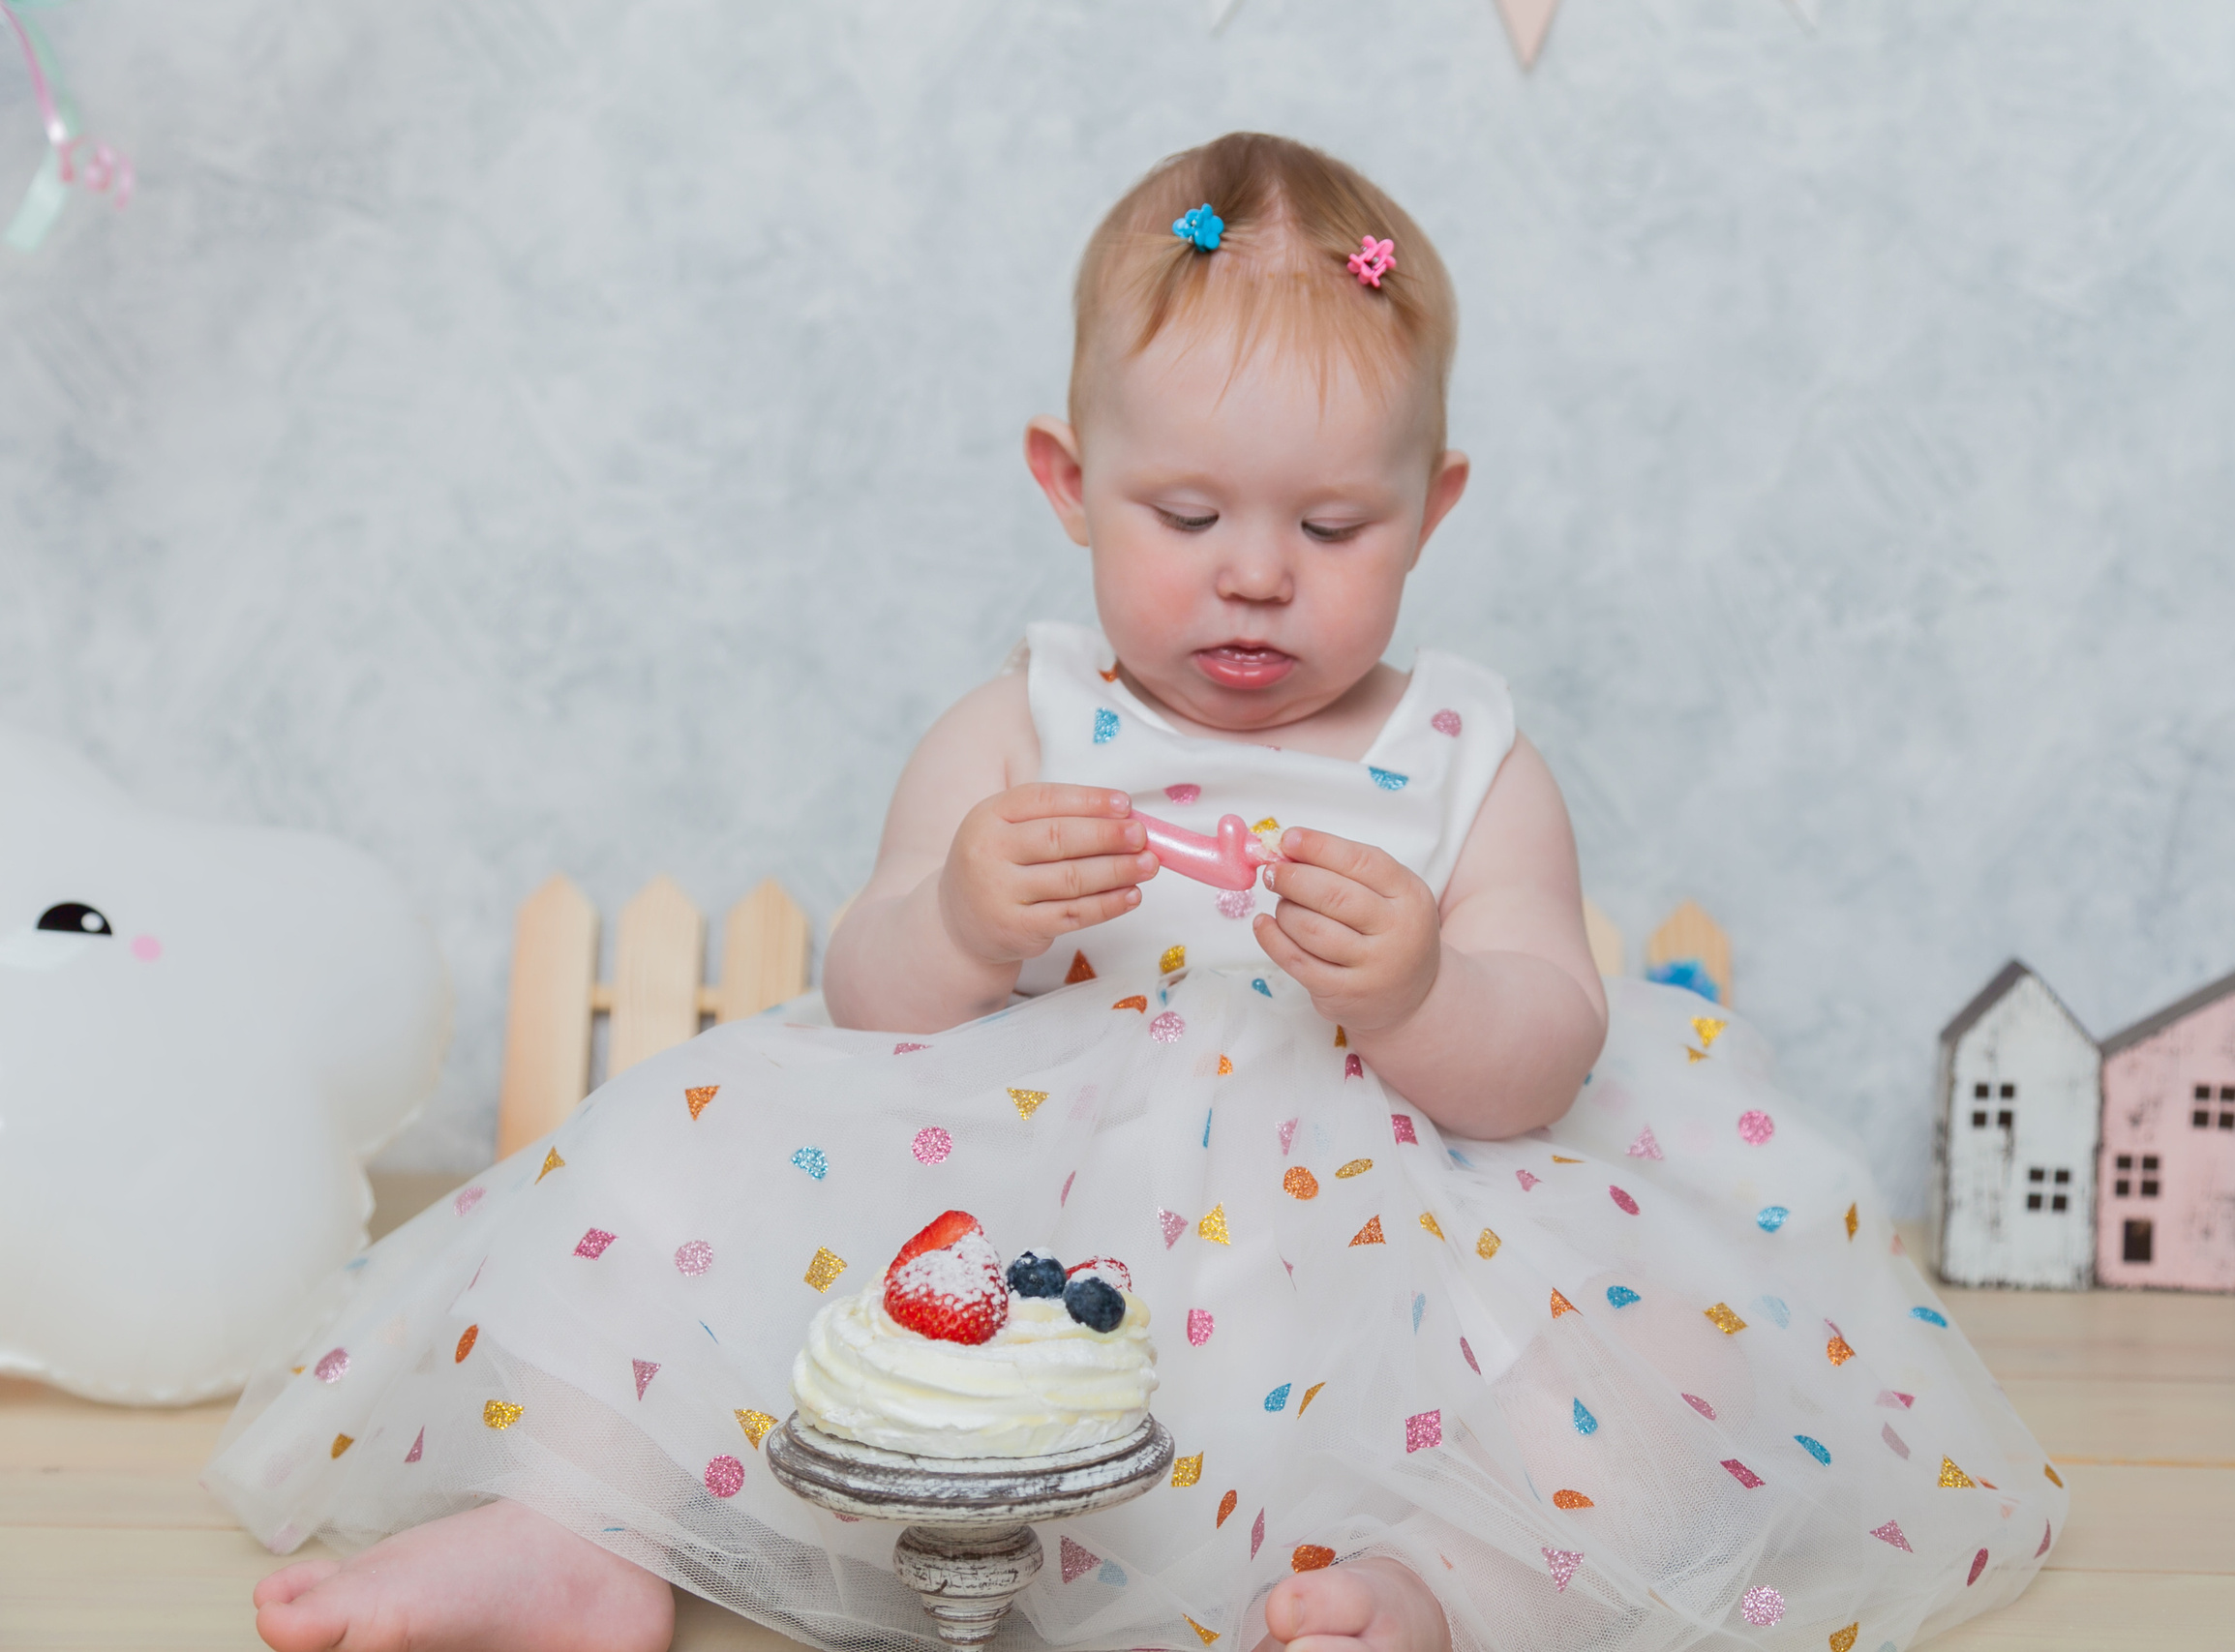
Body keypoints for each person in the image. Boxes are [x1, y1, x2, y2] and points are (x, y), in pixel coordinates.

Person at [212, 132, 2063, 1652]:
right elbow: (872, 998)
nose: (1257, 578)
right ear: (1070, 484)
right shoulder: (1019, 723)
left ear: (1436, 507)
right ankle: (583, 1533)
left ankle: (1434, 1583)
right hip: (1013, 1200)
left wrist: (1421, 989)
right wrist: (960, 913)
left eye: (1334, 528)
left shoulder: (1469, 759)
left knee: (1651, 1352)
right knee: (661, 1156)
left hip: (1374, 1228)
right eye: (1188, 519)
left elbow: (1544, 1060)